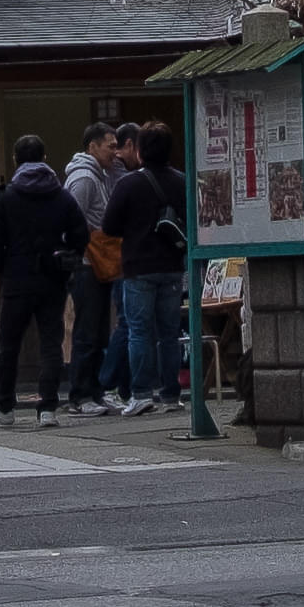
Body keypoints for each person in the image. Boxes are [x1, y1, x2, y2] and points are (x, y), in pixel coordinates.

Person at [0, 132, 85, 423]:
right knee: (51, 342)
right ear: (45, 159)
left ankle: (3, 404)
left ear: (16, 159)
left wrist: (6, 266)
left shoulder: (5, 196)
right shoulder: (61, 196)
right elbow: (81, 234)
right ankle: (48, 407)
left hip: (17, 279)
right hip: (53, 278)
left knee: (9, 342)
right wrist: (66, 256)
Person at [111, 123, 192, 414]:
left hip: (138, 266)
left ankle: (142, 393)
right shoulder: (182, 181)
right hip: (172, 266)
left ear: (140, 150)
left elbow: (109, 225)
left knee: (139, 331)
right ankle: (171, 394)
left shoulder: (128, 184)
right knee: (169, 333)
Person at [64, 123, 125, 413]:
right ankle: (81, 395)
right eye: (110, 146)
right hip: (87, 263)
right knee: (87, 331)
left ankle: (96, 391)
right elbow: (71, 219)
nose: (115, 152)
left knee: (100, 331)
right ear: (92, 147)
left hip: (97, 263)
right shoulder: (84, 178)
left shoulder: (101, 175)